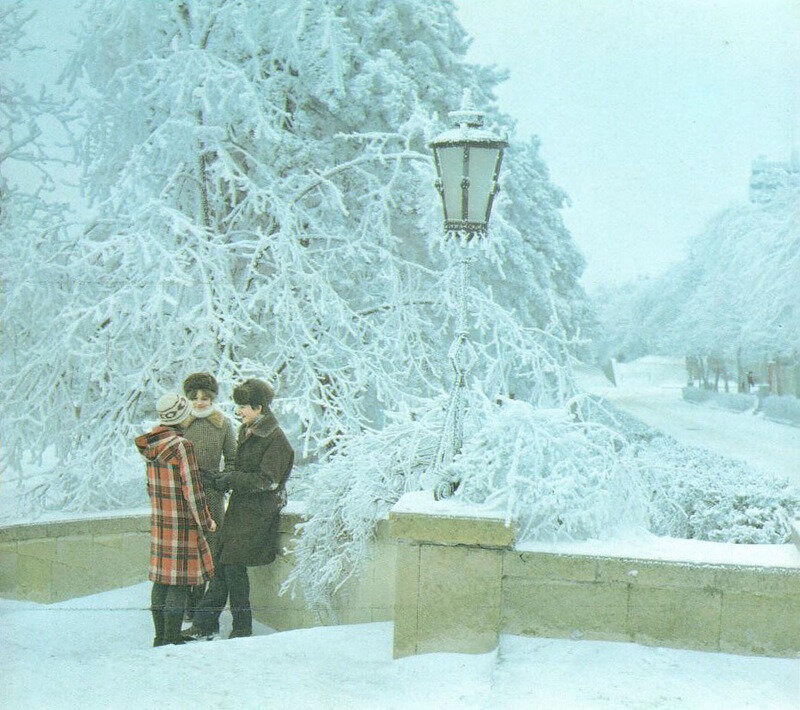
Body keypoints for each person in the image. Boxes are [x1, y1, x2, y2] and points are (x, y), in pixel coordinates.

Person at [187, 378, 294, 640]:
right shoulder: (250, 430)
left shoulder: (274, 438)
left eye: (244, 406)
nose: (238, 412)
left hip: (258, 514)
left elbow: (268, 480)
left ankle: (241, 627)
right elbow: (244, 471)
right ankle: (206, 623)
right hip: (242, 510)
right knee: (224, 565)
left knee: (231, 566)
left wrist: (231, 479)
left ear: (259, 407)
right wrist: (219, 477)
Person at [134, 392, 216, 646]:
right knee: (179, 582)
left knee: (161, 580)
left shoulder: (150, 445)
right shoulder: (181, 446)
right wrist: (206, 521)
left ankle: (160, 636)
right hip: (181, 521)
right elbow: (192, 489)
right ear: (180, 415)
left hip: (160, 520)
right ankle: (171, 638)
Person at [181, 372, 236, 622]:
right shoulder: (181, 424)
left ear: (213, 398)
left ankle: (206, 610)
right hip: (185, 495)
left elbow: (233, 460)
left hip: (212, 495)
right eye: (195, 397)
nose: (200, 402)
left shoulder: (223, 424)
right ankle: (187, 604)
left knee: (212, 549)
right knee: (187, 547)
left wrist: (220, 481)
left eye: (205, 397)